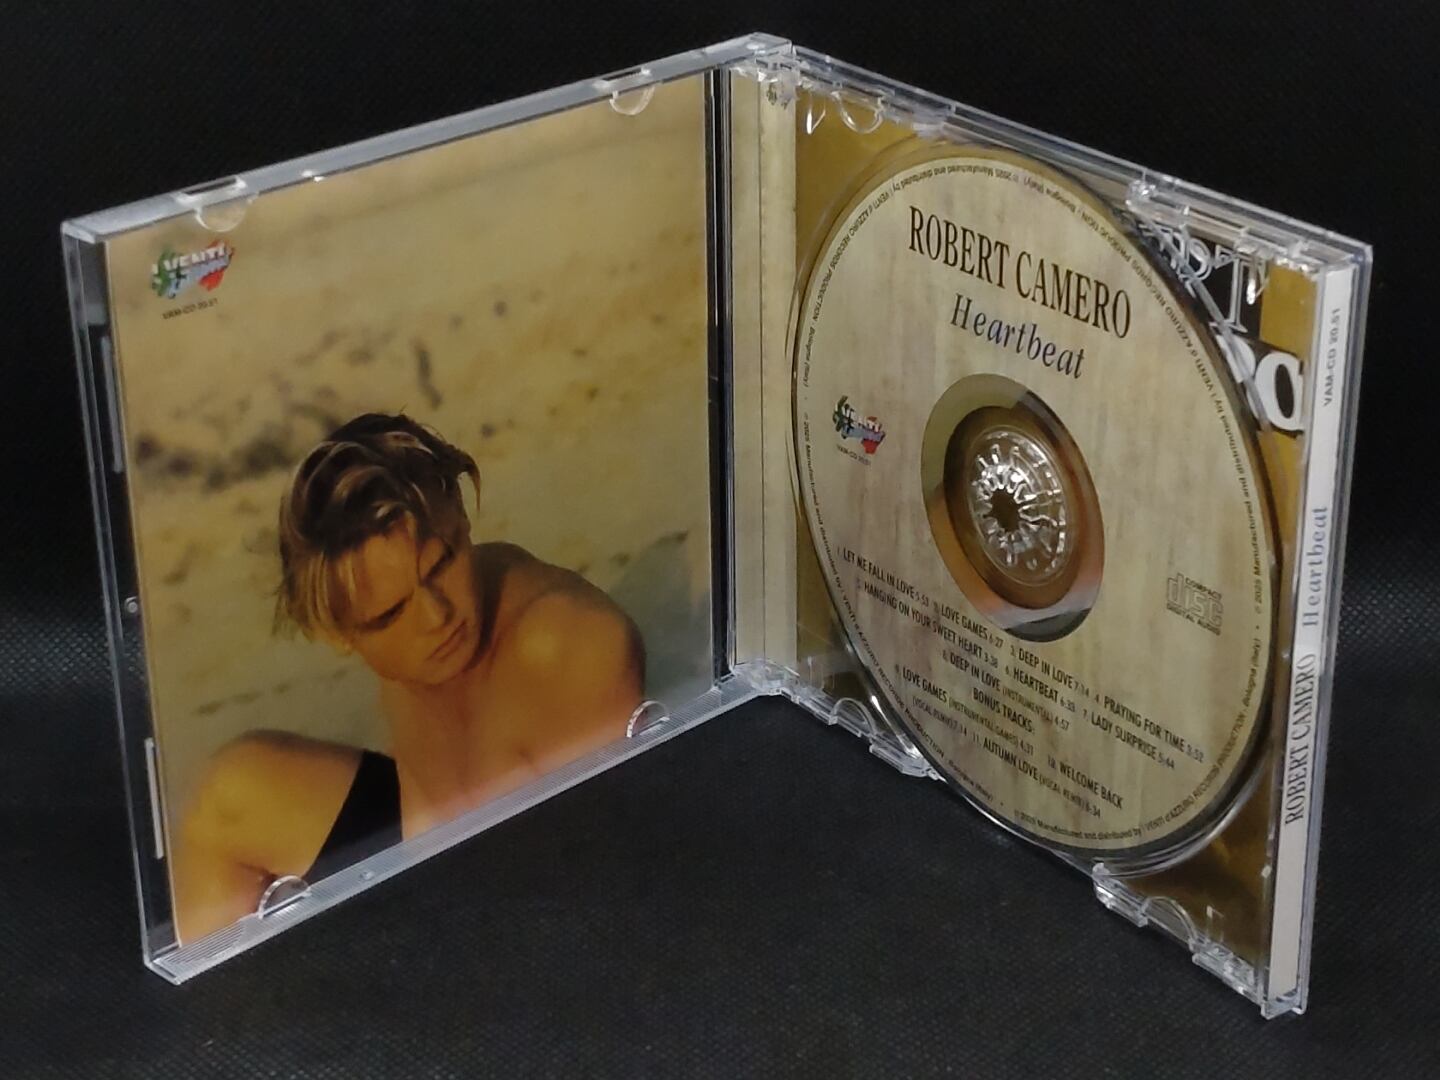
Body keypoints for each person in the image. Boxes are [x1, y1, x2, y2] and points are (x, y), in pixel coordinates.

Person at [172, 413, 645, 942]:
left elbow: (603, 896)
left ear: (460, 516)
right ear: (339, 633)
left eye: (442, 565)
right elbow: (426, 832)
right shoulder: (413, 652)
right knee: (232, 793)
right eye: (391, 612)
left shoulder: (564, 649)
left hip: (528, 914)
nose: (437, 616)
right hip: (441, 866)